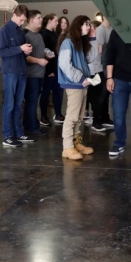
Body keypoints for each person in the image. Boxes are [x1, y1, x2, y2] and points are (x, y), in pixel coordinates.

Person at [57, 16, 96, 160]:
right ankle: (67, 147)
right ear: (78, 25)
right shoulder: (68, 43)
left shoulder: (79, 42)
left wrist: (92, 38)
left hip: (82, 83)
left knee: (79, 117)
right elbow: (65, 65)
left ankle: (76, 143)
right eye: (86, 24)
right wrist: (80, 78)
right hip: (75, 84)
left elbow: (91, 58)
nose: (89, 27)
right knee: (72, 117)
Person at [0, 4, 31, 147]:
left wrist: (26, 51)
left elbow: (21, 49)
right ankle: (7, 135)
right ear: (15, 15)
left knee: (18, 104)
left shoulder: (20, 31)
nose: (22, 23)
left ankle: (18, 132)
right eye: (21, 20)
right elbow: (2, 52)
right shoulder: (4, 31)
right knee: (9, 105)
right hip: (10, 72)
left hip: (21, 71)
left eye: (24, 20)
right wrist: (20, 49)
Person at [22, 10, 49, 138]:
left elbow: (39, 52)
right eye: (39, 18)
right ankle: (32, 127)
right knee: (31, 102)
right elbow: (24, 57)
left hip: (40, 75)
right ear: (31, 19)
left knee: (34, 102)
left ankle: (30, 124)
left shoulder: (38, 35)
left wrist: (45, 55)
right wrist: (39, 61)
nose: (41, 20)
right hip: (31, 75)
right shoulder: (25, 35)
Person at [40, 13, 64, 126]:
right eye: (56, 21)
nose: (57, 23)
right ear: (49, 21)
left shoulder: (54, 34)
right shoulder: (44, 35)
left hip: (56, 68)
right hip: (49, 70)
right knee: (45, 93)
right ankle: (43, 116)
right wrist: (48, 71)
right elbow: (43, 53)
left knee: (57, 93)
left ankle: (58, 114)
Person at [86, 21, 110, 132]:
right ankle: (96, 121)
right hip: (91, 72)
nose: (92, 29)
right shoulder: (85, 42)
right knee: (96, 97)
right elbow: (93, 55)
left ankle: (101, 118)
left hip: (99, 70)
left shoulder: (95, 40)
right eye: (90, 27)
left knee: (102, 95)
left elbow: (100, 52)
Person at [93, 16, 113, 130]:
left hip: (108, 64)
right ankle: (98, 119)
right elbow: (100, 51)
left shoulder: (111, 29)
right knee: (101, 94)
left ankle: (105, 117)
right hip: (102, 66)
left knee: (106, 94)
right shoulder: (101, 30)